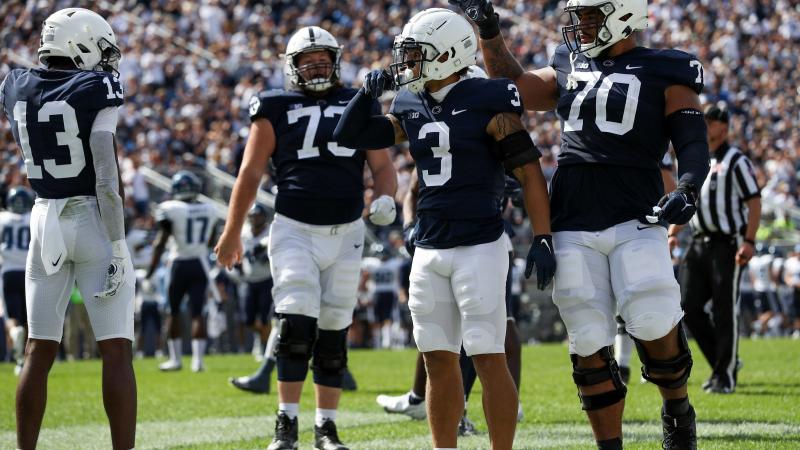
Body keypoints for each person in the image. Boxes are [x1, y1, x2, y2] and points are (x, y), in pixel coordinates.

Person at [449, 0, 711, 448]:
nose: (582, 25)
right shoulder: (571, 62)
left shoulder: (667, 68)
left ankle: (677, 410)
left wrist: (686, 187)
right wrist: (489, 30)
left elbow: (691, 139)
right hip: (572, 215)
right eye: (582, 16)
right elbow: (515, 85)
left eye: (592, 15)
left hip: (637, 210)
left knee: (651, 315)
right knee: (587, 334)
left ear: (625, 15)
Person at [334, 9, 555, 450]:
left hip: (480, 243)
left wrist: (543, 236)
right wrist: (364, 96)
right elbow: (349, 133)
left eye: (416, 55)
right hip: (430, 246)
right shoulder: (411, 101)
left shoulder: (489, 97)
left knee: (488, 356)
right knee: (437, 358)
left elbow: (530, 172)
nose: (407, 64)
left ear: (448, 54)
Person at [215, 26, 398, 450]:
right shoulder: (274, 105)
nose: (316, 65)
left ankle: (326, 428)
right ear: (292, 65)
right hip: (294, 228)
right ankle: (286, 424)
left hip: (348, 230)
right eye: (306, 59)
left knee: (334, 331)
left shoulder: (359, 101)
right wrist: (231, 231)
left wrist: (385, 196)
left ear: (335, 60)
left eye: (322, 58)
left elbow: (383, 167)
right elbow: (250, 171)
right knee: (296, 322)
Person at [0, 8, 136, 449]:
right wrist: (117, 243)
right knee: (115, 349)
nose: (106, 60)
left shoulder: (14, 84)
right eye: (100, 49)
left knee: (37, 350)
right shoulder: (97, 86)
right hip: (93, 218)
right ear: (79, 45)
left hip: (44, 218)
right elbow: (105, 173)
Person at [668, 104, 761, 394]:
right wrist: (674, 233)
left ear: (723, 126)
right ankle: (723, 364)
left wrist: (749, 241)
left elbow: (754, 202)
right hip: (698, 242)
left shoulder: (736, 161)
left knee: (724, 311)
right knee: (688, 306)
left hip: (726, 243)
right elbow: (690, 201)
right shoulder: (698, 160)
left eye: (710, 122)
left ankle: (726, 374)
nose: (705, 127)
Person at [146, 170, 220, 373]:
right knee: (198, 313)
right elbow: (212, 240)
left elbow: (161, 242)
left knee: (173, 311)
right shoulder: (209, 208)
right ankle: (198, 362)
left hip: (179, 263)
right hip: (200, 263)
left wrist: (151, 271)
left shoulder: (171, 208)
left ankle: (176, 359)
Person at [0, 187, 33, 375]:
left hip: (9, 271)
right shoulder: (33, 218)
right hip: (30, 272)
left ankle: (15, 335)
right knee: (31, 320)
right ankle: (26, 360)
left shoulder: (2, 219)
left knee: (12, 319)